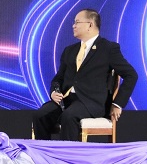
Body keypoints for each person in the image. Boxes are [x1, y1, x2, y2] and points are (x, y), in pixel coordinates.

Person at [32, 8, 138, 141]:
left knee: (69, 116)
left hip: (91, 102)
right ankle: (44, 152)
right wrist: (54, 91)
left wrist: (117, 104)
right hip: (66, 100)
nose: (73, 25)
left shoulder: (108, 48)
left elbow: (131, 75)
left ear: (90, 25)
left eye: (77, 22)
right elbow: (58, 78)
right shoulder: (69, 51)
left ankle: (68, 154)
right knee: (40, 115)